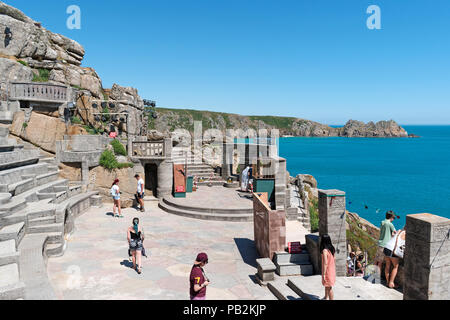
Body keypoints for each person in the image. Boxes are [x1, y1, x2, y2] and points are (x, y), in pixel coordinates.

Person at [320, 234, 336, 300]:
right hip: (332, 269)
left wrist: (324, 274)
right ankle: (325, 297)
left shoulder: (325, 251)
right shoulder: (332, 249)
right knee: (327, 285)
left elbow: (325, 263)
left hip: (327, 270)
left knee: (329, 287)